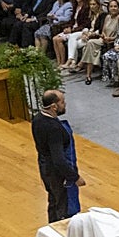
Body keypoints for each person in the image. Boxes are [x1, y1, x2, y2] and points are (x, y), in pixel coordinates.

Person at [32, 89, 84, 224]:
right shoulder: (54, 128)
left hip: (45, 170)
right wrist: (75, 177)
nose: (65, 104)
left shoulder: (37, 119)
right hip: (58, 175)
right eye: (62, 102)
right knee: (64, 209)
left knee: (53, 202)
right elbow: (59, 160)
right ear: (54, 106)